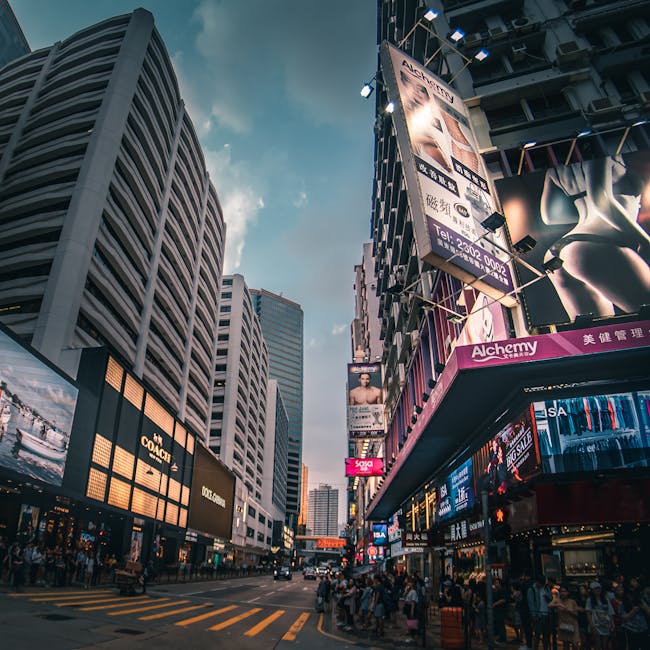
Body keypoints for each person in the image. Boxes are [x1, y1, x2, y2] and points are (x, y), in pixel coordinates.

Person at [540, 155, 650, 320]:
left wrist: (585, 215)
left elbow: (549, 217)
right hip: (595, 246)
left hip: (561, 251)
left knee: (598, 335)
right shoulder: (599, 156)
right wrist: (643, 240)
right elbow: (600, 201)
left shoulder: (554, 170)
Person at [549, 585, 581, 649]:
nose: (563, 593)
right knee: (566, 644)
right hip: (563, 624)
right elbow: (550, 605)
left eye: (564, 591)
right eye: (561, 591)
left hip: (573, 624)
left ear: (568, 592)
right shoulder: (557, 600)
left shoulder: (572, 602)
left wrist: (568, 611)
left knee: (574, 644)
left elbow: (576, 614)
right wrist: (559, 605)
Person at [585, 581, 614, 650]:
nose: (598, 590)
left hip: (605, 624)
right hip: (596, 625)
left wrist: (612, 623)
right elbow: (588, 613)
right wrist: (591, 625)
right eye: (595, 589)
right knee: (597, 645)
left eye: (599, 588)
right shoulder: (590, 600)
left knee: (605, 645)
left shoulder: (605, 599)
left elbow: (610, 612)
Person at [528, 575, 552, 650]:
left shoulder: (546, 588)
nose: (541, 585)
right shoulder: (532, 589)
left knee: (546, 635)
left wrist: (547, 596)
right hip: (538, 614)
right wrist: (534, 615)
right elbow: (531, 603)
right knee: (537, 635)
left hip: (547, 613)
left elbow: (551, 598)